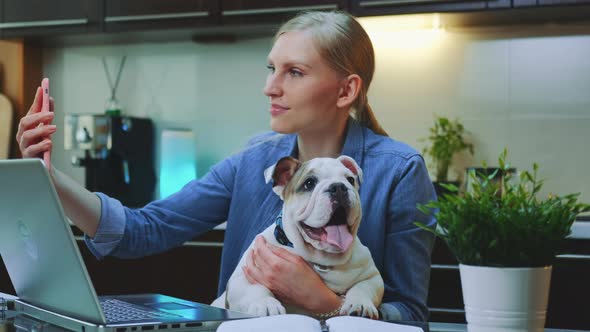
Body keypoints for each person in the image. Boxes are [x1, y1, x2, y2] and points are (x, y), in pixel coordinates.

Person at [16, 11, 436, 322]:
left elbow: (412, 316)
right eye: (272, 68)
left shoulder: (400, 172)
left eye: (294, 72)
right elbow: (144, 229)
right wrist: (47, 179)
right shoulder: (253, 160)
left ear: (346, 90)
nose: (270, 87)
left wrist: (324, 303)